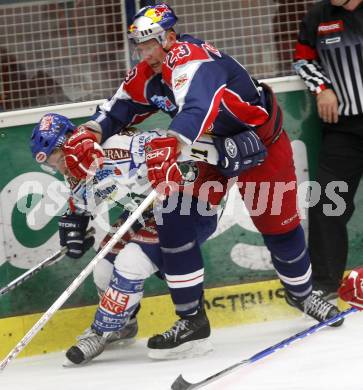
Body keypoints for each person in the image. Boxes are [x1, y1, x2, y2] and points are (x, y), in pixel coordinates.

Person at [58, 3, 344, 358]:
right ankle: (192, 321)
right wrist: (91, 131)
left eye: (151, 44)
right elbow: (118, 108)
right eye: (140, 47)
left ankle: (302, 294)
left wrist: (174, 142)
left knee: (278, 225)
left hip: (258, 143)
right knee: (174, 221)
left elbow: (196, 107)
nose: (146, 54)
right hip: (205, 150)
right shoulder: (148, 73)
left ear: (171, 38)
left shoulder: (193, 59)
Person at [30, 112, 231, 364]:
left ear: (69, 141)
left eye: (57, 158)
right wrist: (76, 222)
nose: (58, 167)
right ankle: (123, 324)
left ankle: (101, 332)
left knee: (130, 262)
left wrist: (207, 159)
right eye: (50, 164)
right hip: (145, 210)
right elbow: (82, 200)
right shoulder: (77, 164)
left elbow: (176, 147)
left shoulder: (118, 148)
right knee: (103, 269)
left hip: (189, 204)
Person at [293, 0, 363, 299]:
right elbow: (302, 60)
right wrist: (322, 88)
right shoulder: (318, 16)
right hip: (343, 129)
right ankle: (324, 284)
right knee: (326, 204)